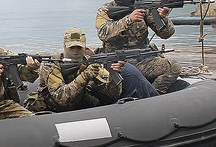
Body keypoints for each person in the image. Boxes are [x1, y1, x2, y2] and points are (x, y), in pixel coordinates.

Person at [24, 27, 158, 113]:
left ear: (85, 47)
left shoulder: (91, 62)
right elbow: (62, 99)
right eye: (72, 47)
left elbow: (112, 94)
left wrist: (113, 73)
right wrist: (85, 75)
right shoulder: (51, 65)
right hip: (50, 106)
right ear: (64, 46)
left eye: (79, 47)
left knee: (97, 103)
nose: (75, 51)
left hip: (79, 103)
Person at [95, 0, 182, 93]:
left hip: (143, 60)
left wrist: (163, 18)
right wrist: (129, 20)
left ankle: (154, 94)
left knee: (173, 66)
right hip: (118, 62)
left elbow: (166, 34)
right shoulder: (105, 10)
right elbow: (103, 33)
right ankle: (148, 95)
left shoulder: (143, 8)